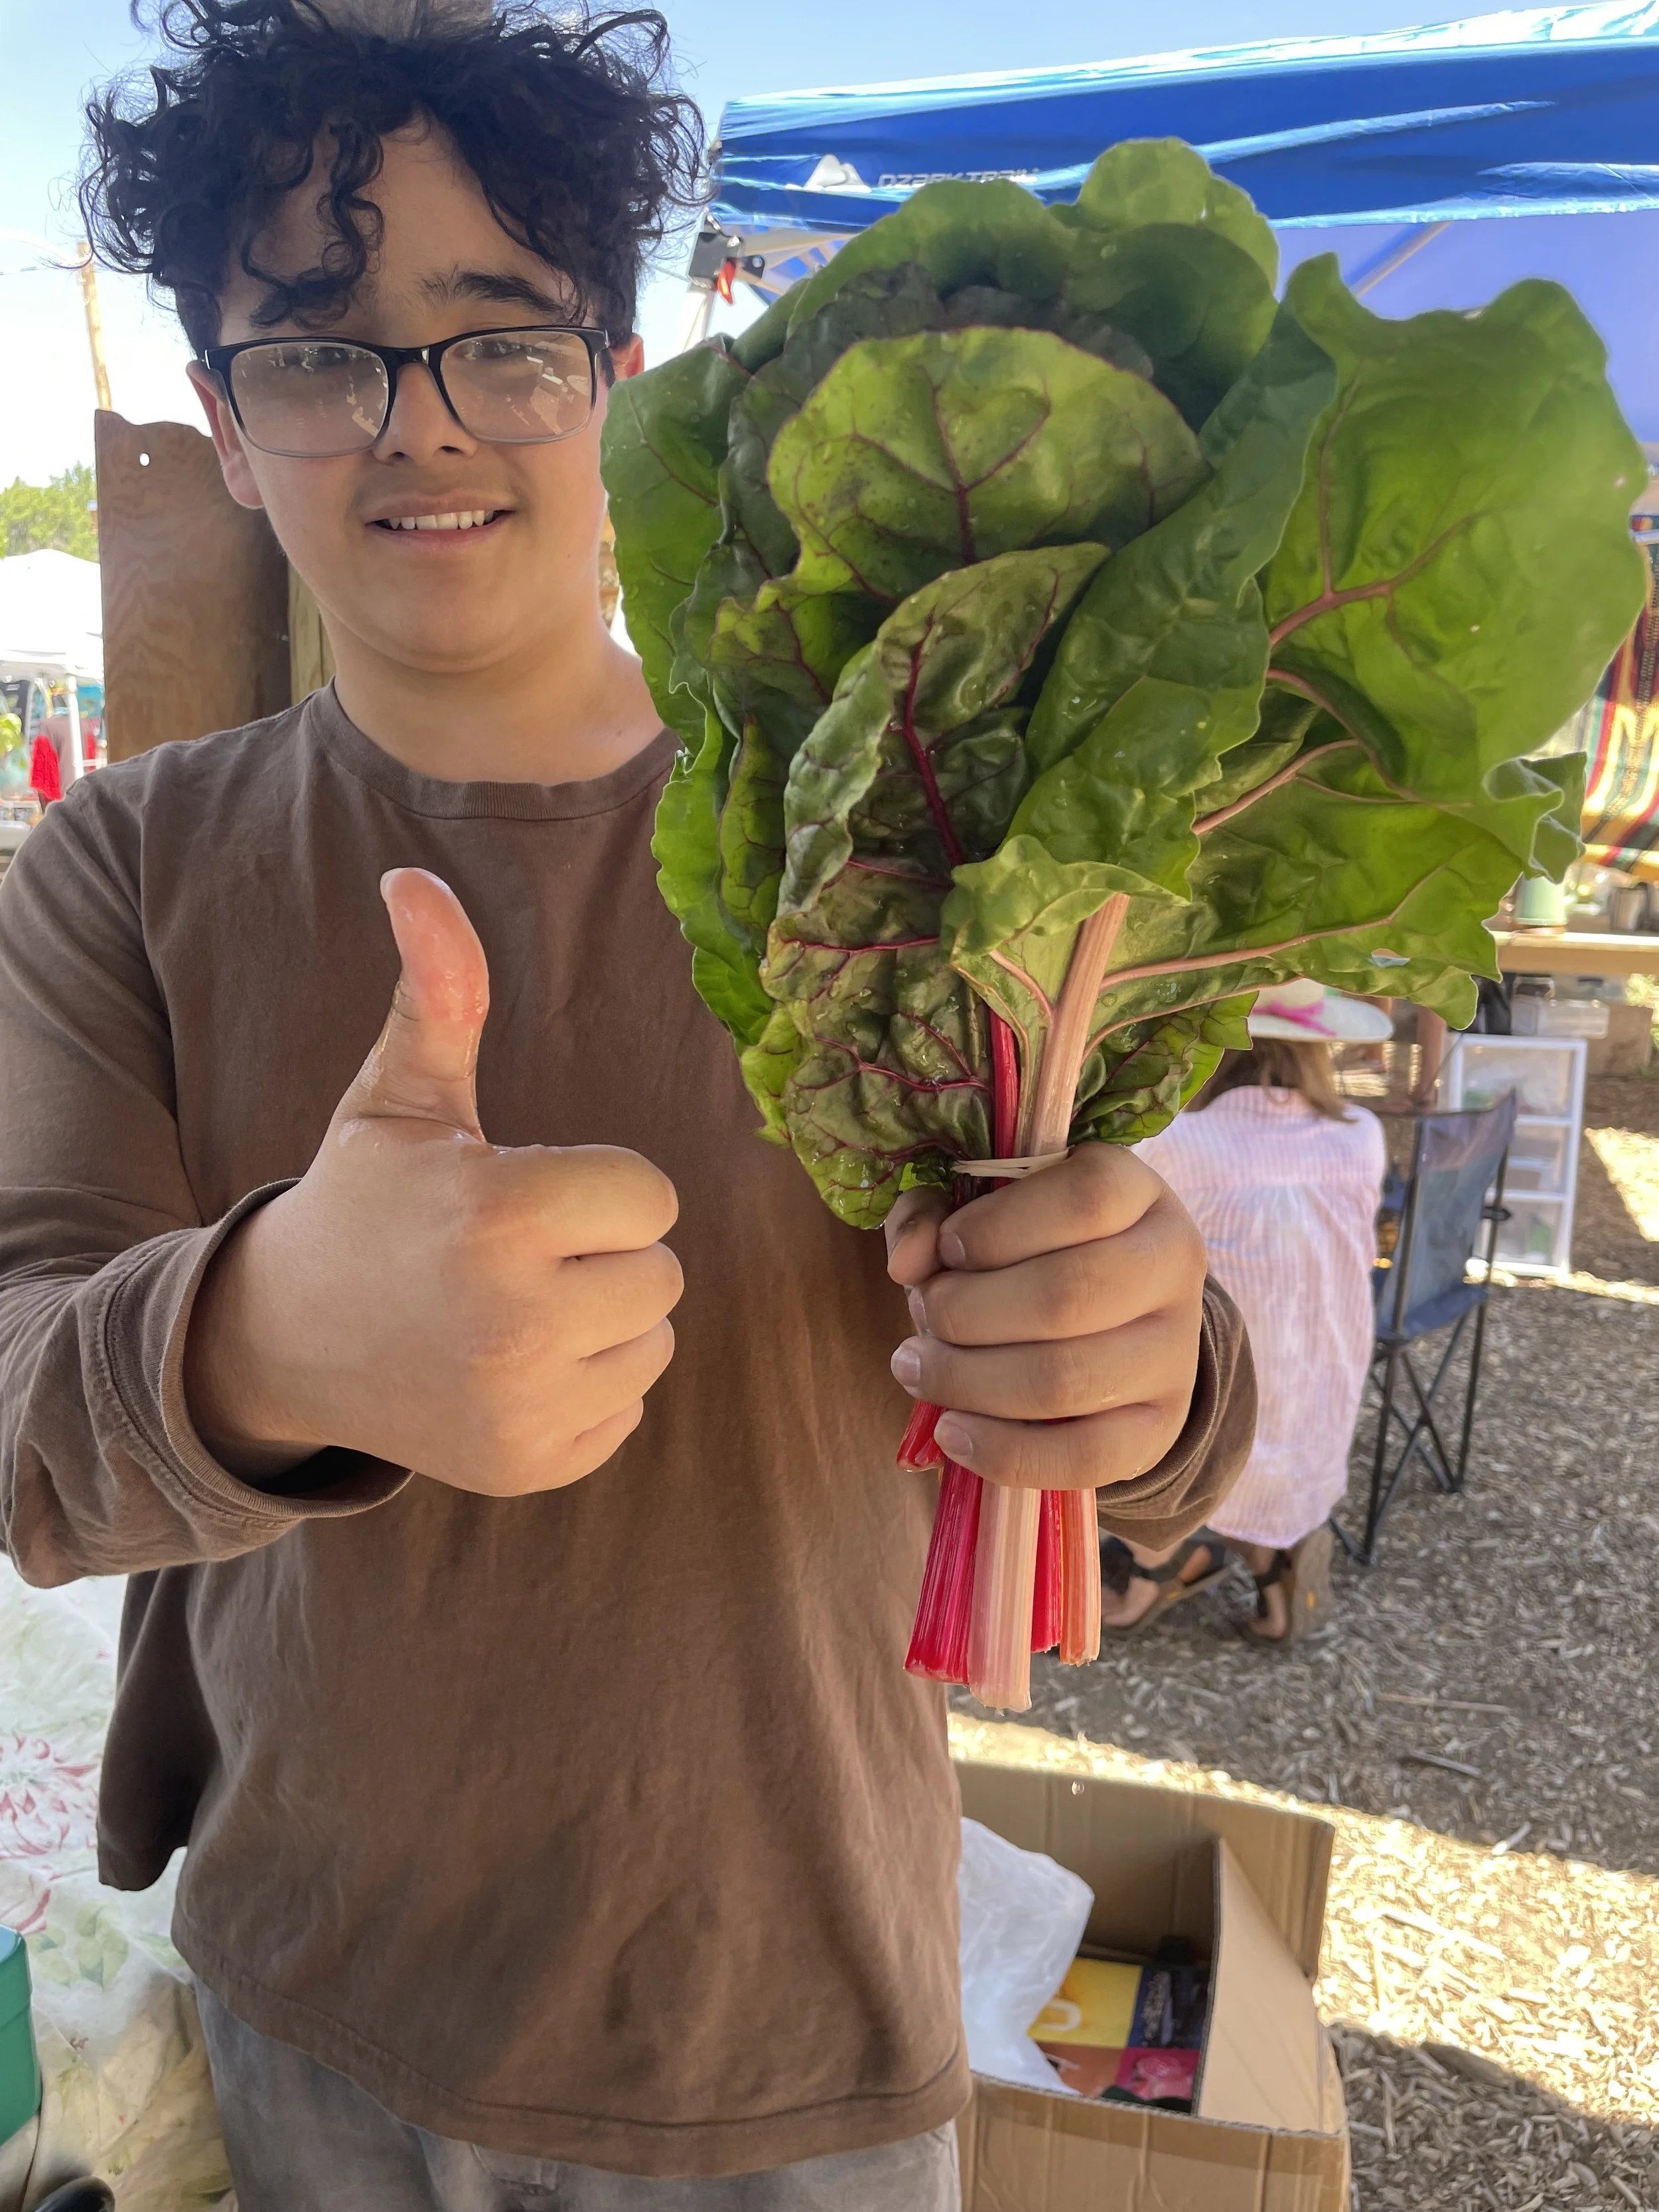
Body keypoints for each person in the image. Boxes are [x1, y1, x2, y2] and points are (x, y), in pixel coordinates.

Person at [0, 7, 1255, 2209]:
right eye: (313, 353)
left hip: (807, 2045)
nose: (420, 426)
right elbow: (22, 1418)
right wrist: (259, 1339)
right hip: (319, 2025)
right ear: (218, 415)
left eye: (504, 337)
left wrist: (1153, 1375)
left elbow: (1136, 1398)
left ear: (622, 359)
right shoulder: (123, 867)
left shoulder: (894, 839)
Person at [1098, 983, 1389, 1645]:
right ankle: (1274, 1563)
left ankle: (1161, 1562)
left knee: (1148, 1362)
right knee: (1280, 1399)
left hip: (1220, 1391)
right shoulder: (1362, 1139)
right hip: (1325, 1377)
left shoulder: (1178, 1141)